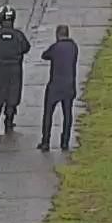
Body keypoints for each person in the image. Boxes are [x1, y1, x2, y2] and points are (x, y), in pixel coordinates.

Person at [0, 5, 30, 135]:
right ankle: (9, 120)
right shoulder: (19, 35)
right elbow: (26, 47)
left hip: (1, 69)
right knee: (13, 94)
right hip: (15, 69)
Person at [38, 24, 79, 152]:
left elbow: (44, 55)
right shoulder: (73, 47)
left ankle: (46, 141)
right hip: (69, 85)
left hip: (55, 85)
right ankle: (65, 142)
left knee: (48, 113)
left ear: (57, 35)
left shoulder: (55, 47)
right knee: (67, 114)